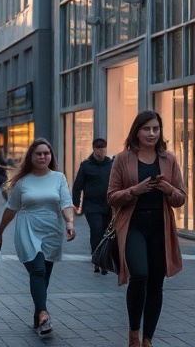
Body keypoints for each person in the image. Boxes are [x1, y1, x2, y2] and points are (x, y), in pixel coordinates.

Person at [107, 110, 185, 347]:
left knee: (156, 283)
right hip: (133, 225)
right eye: (147, 129)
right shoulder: (122, 159)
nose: (152, 134)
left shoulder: (169, 159)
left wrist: (169, 190)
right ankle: (133, 333)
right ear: (137, 131)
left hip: (160, 227)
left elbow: (181, 198)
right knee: (139, 275)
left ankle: (147, 339)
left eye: (156, 129)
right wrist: (134, 191)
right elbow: (111, 196)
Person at [0, 139, 76, 336]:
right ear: (31, 156)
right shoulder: (22, 182)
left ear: (51, 156)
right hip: (28, 230)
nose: (42, 157)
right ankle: (44, 314)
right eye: (38, 153)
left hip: (52, 231)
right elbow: (11, 209)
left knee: (44, 275)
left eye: (46, 153)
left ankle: (38, 313)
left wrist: (70, 223)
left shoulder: (59, 178)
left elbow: (66, 202)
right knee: (37, 271)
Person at [72, 137, 114, 274]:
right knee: (96, 230)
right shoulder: (86, 165)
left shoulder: (111, 164)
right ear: (94, 149)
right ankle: (97, 259)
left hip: (108, 205)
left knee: (106, 233)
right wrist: (75, 205)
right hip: (91, 205)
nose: (101, 151)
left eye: (103, 148)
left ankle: (104, 260)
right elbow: (77, 187)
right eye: (98, 148)